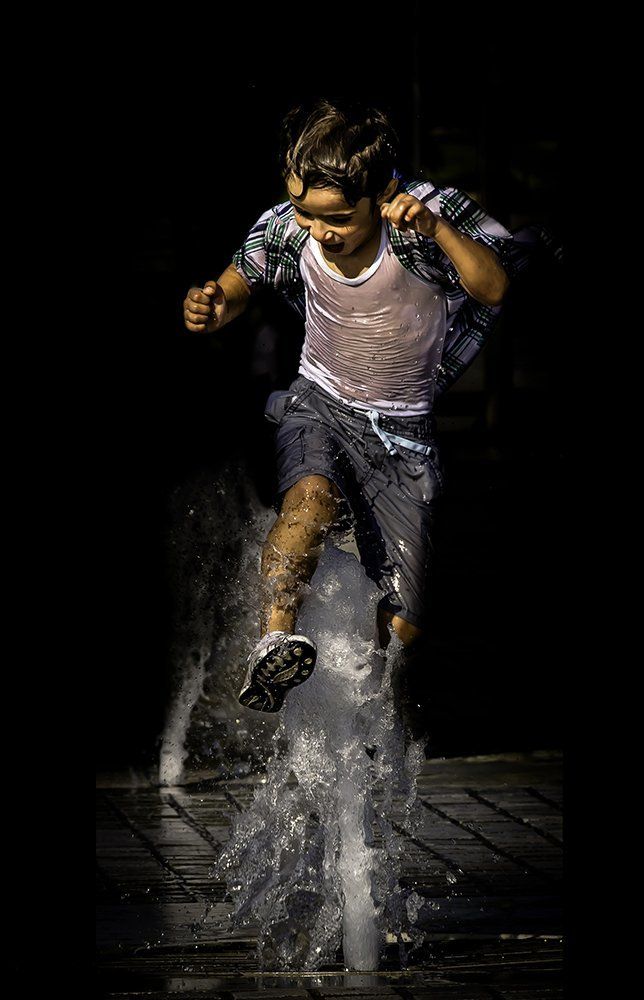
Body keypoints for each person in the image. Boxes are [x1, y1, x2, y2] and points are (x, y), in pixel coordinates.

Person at [183, 97, 530, 716]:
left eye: (339, 217)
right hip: (319, 401)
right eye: (306, 214)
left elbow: (495, 287)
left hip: (401, 436)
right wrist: (217, 302)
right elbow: (245, 274)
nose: (321, 231)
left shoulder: (422, 220)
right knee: (308, 500)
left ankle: (362, 697)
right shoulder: (295, 225)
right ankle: (274, 641)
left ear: (381, 192)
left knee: (407, 623)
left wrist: (438, 231)